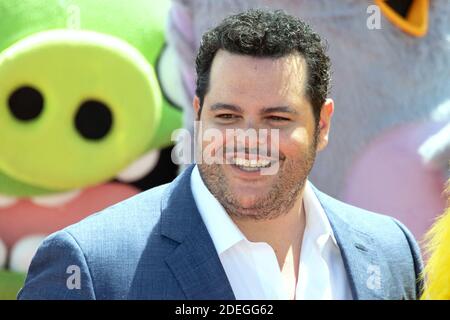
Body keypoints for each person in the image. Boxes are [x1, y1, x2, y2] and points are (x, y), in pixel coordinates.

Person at [18, 9, 423, 300]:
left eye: (277, 117)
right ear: (197, 115)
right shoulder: (90, 267)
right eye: (227, 116)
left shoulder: (391, 250)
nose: (249, 139)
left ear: (323, 125)